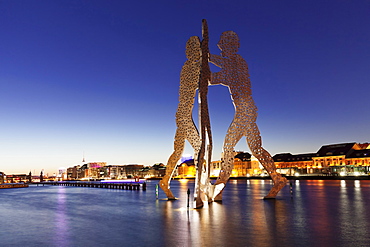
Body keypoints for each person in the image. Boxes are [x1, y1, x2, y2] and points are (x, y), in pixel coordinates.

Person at [210, 31, 287, 200]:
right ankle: (277, 179)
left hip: (245, 110)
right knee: (256, 149)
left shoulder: (236, 62)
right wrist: (207, 61)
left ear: (231, 46)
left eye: (223, 46)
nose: (221, 49)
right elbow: (220, 71)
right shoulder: (233, 63)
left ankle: (218, 189)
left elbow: (220, 75)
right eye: (220, 47)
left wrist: (207, 59)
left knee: (228, 148)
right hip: (247, 109)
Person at [159, 36, 202, 199]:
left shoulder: (190, 66)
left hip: (183, 113)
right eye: (196, 50)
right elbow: (203, 83)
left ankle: (165, 181)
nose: (197, 53)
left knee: (178, 150)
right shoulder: (190, 67)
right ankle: (201, 182)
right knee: (198, 148)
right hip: (184, 113)